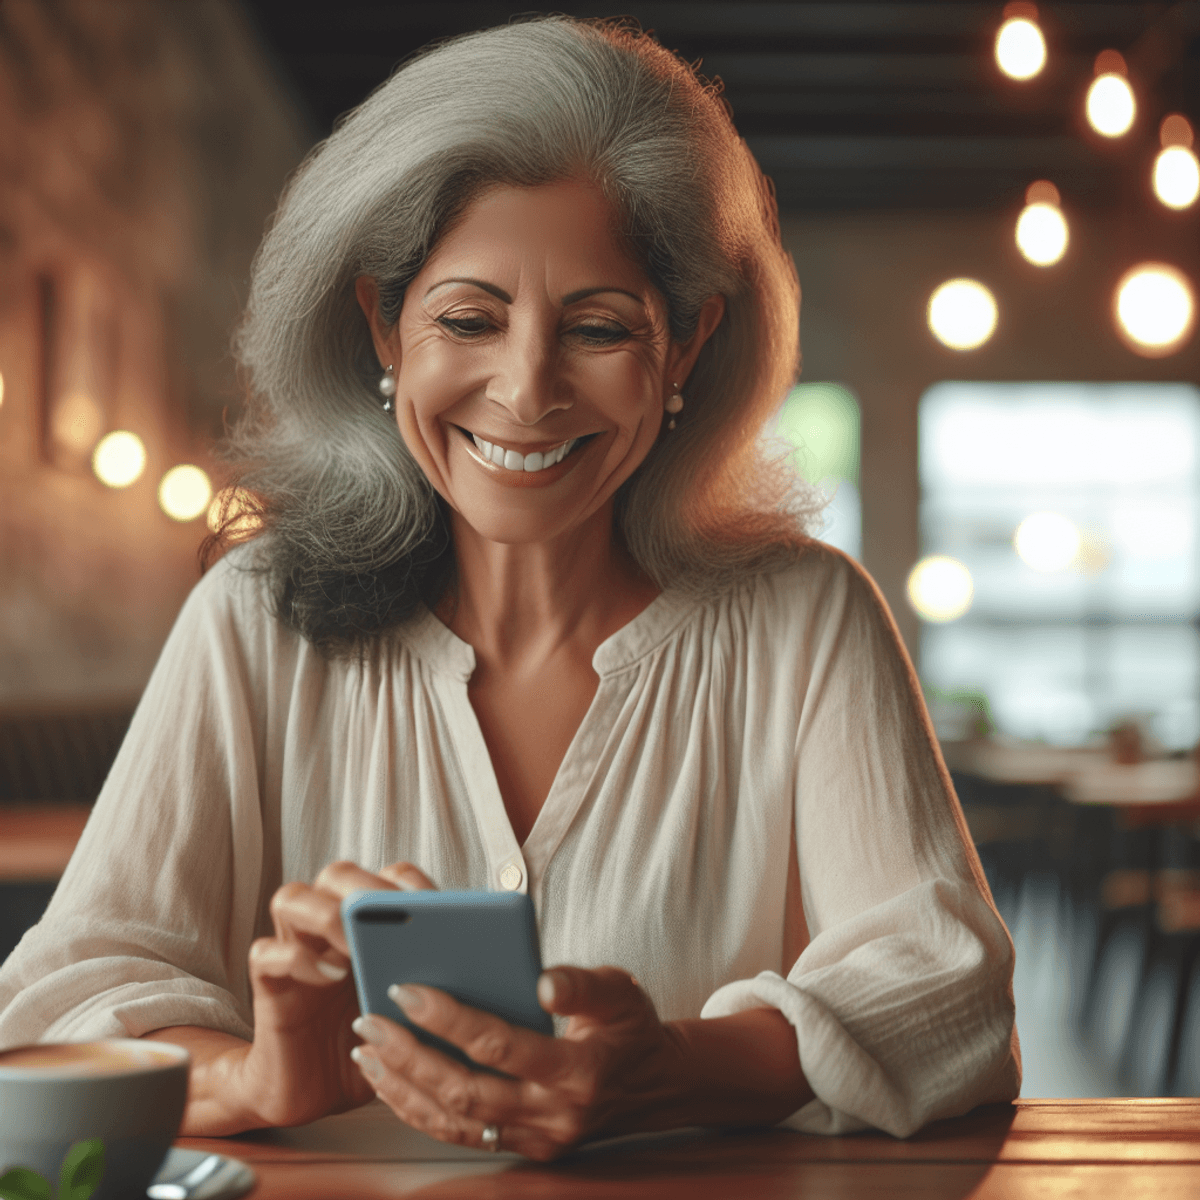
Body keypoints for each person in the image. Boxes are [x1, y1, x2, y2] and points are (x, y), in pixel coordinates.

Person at [0, 16, 1019, 1157]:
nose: (527, 392)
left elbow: (956, 1001)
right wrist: (251, 1077)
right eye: (468, 319)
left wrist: (677, 1070)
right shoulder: (255, 618)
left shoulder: (805, 618)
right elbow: (49, 1018)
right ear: (383, 325)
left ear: (684, 347)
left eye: (596, 327)